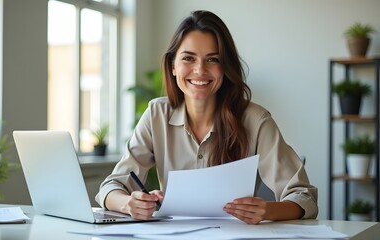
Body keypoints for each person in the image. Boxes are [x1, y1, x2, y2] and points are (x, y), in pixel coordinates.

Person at [95, 10, 318, 224]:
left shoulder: (256, 120)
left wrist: (266, 210)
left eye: (212, 59)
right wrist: (128, 204)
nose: (200, 70)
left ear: (226, 67)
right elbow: (112, 186)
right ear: (173, 65)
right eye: (188, 58)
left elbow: (303, 196)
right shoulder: (157, 114)